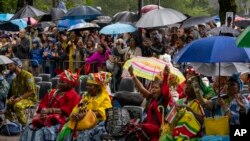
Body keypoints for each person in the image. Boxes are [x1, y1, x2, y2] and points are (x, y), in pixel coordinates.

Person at [20, 70, 81, 141]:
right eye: (59, 81)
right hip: (46, 118)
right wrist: (43, 111)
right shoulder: (52, 92)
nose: (59, 84)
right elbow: (42, 104)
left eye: (62, 82)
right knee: (29, 128)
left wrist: (49, 111)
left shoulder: (74, 95)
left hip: (63, 121)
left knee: (44, 131)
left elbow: (67, 111)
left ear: (69, 84)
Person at [58, 71, 112, 141]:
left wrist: (84, 115)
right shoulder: (85, 96)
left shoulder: (104, 97)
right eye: (87, 85)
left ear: (98, 87)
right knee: (64, 130)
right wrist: (74, 115)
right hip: (80, 122)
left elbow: (101, 112)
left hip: (96, 124)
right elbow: (78, 107)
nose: (87, 87)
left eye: (90, 86)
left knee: (85, 135)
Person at [127, 65, 173, 141]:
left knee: (138, 129)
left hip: (158, 130)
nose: (153, 90)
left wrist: (165, 76)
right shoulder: (151, 97)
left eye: (156, 88)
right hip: (148, 129)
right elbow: (141, 88)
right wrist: (133, 75)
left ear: (161, 89)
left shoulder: (164, 99)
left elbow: (165, 91)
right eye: (152, 87)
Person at [4, 57, 37, 126]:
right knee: (5, 104)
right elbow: (15, 93)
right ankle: (13, 123)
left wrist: (20, 98)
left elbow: (31, 91)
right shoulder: (15, 79)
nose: (9, 67)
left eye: (11, 65)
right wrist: (12, 98)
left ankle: (24, 126)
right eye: (8, 66)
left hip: (30, 99)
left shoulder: (27, 75)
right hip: (19, 98)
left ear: (17, 65)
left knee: (17, 106)